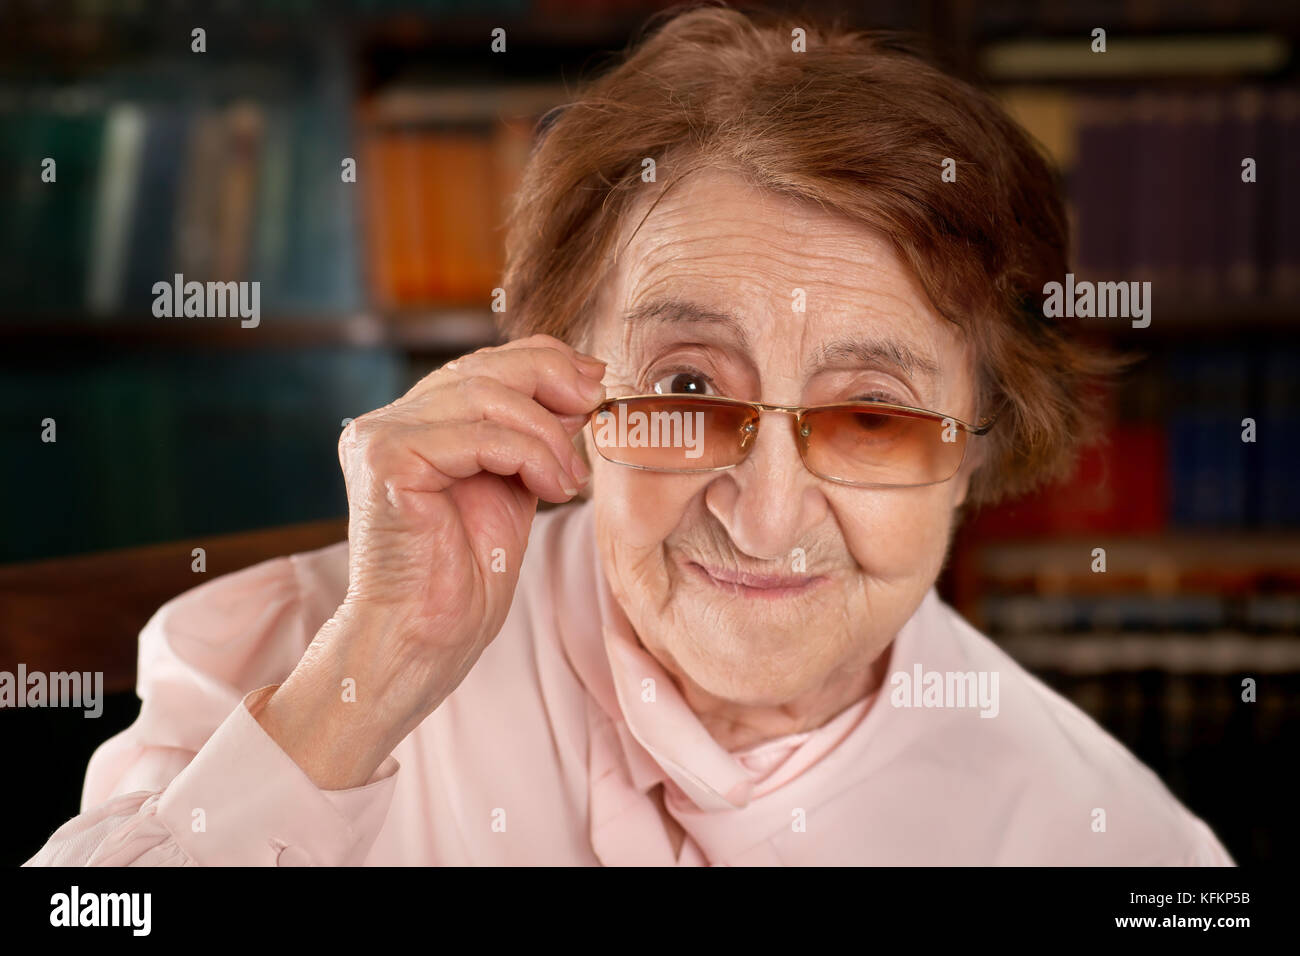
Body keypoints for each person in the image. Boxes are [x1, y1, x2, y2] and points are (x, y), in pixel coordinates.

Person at [28, 7, 1232, 866]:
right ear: (558, 380)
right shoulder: (295, 650)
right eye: (688, 381)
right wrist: (370, 679)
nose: (763, 514)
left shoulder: (1109, 837)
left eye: (872, 411)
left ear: (974, 445)